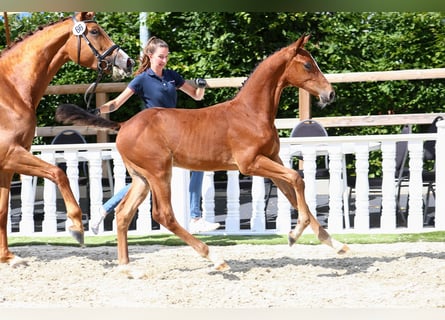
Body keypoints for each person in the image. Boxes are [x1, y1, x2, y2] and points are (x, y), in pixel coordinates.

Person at [90, 36, 220, 235]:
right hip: (155, 136)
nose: (164, 61)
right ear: (150, 56)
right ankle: (104, 209)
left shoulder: (172, 76)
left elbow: (196, 96)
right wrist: (97, 112)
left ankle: (195, 218)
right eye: (161, 57)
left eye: (167, 57)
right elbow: (117, 103)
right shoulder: (142, 79)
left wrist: (201, 86)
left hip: (176, 132)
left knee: (196, 166)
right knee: (146, 181)